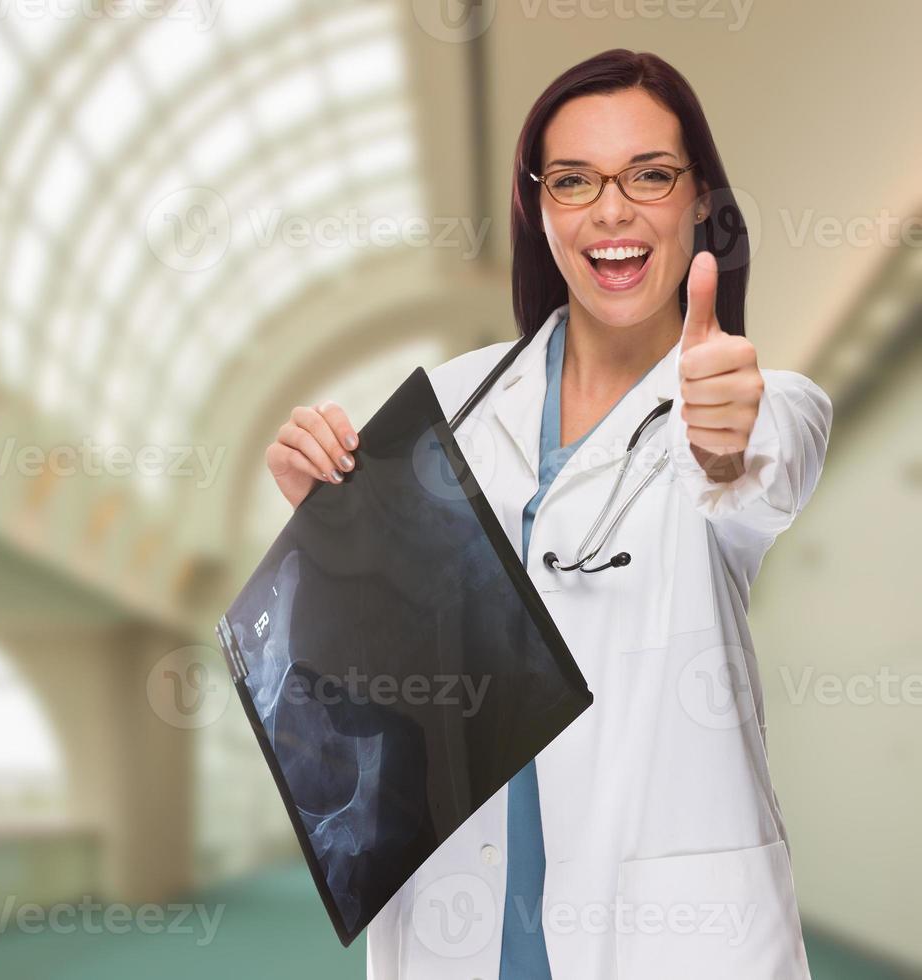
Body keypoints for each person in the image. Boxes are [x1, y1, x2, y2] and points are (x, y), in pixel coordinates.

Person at [264, 49, 830, 980]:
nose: (612, 210)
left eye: (650, 174)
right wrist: (328, 531)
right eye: (574, 180)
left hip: (664, 937)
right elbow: (376, 684)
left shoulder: (763, 399)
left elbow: (761, 471)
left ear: (700, 202)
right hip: (464, 919)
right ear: (540, 207)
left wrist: (730, 437)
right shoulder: (447, 405)